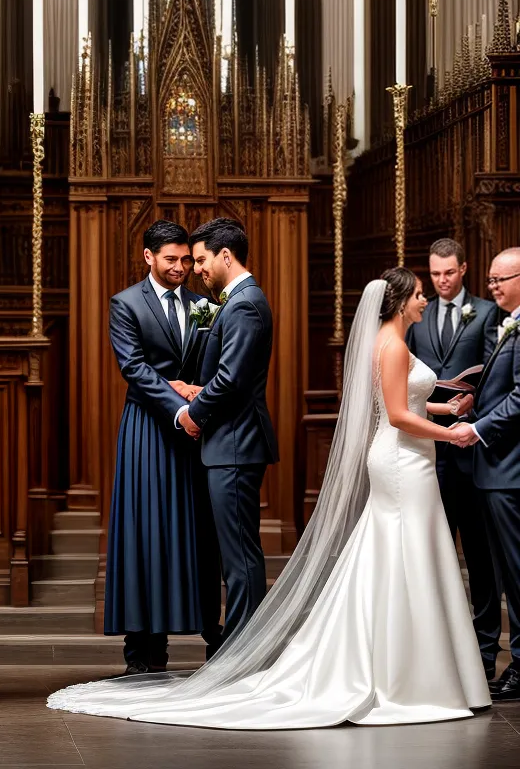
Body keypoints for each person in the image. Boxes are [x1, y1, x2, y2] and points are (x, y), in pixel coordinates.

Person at [49, 268, 490, 727]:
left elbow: (398, 403)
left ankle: (405, 664)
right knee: (401, 554)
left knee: (398, 556)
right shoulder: (389, 343)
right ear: (400, 302)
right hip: (401, 459)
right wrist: (452, 433)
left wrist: (442, 408)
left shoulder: (380, 340)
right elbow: (396, 413)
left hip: (401, 457)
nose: (425, 300)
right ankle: (402, 673)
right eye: (419, 294)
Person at [103, 220, 220, 675]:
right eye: (171, 259)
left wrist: (197, 393)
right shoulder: (126, 303)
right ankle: (144, 653)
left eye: (187, 260)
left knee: (198, 531)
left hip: (196, 426)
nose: (181, 268)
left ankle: (215, 638)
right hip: (148, 429)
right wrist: (176, 406)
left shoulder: (203, 304)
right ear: (149, 257)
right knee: (144, 531)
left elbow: (216, 361)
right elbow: (132, 366)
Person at [177, 218, 278, 641]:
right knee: (235, 553)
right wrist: (200, 388)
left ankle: (241, 653)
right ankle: (241, 648)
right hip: (232, 442)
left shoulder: (244, 304)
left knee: (239, 557)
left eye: (200, 259)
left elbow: (233, 380)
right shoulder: (239, 302)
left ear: (225, 255)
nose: (196, 269)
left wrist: (193, 413)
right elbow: (233, 376)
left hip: (235, 444)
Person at [406, 237, 501, 679]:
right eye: (435, 274)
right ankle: (438, 654)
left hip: (471, 452)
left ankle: (483, 654)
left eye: (449, 273)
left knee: (480, 559)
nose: (442, 282)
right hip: (427, 455)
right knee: (433, 556)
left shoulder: (485, 312)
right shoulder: (417, 318)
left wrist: (472, 406)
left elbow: (495, 370)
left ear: (463, 269)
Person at [461, 247, 520, 701]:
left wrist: (477, 428)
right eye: (491, 280)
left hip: (509, 469)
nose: (493, 287)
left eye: (502, 279)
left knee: (516, 575)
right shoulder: (507, 323)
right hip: (496, 468)